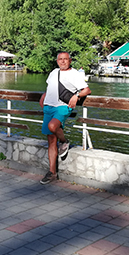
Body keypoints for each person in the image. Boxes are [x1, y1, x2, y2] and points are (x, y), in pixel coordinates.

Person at [39, 52, 91, 185]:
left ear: (70, 60)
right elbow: (50, 87)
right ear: (57, 61)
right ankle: (52, 173)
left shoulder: (74, 74)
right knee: (51, 140)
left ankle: (64, 141)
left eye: (65, 59)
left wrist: (76, 96)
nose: (62, 61)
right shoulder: (53, 72)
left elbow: (87, 90)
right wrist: (44, 96)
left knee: (52, 126)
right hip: (49, 106)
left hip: (63, 106)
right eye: (60, 59)